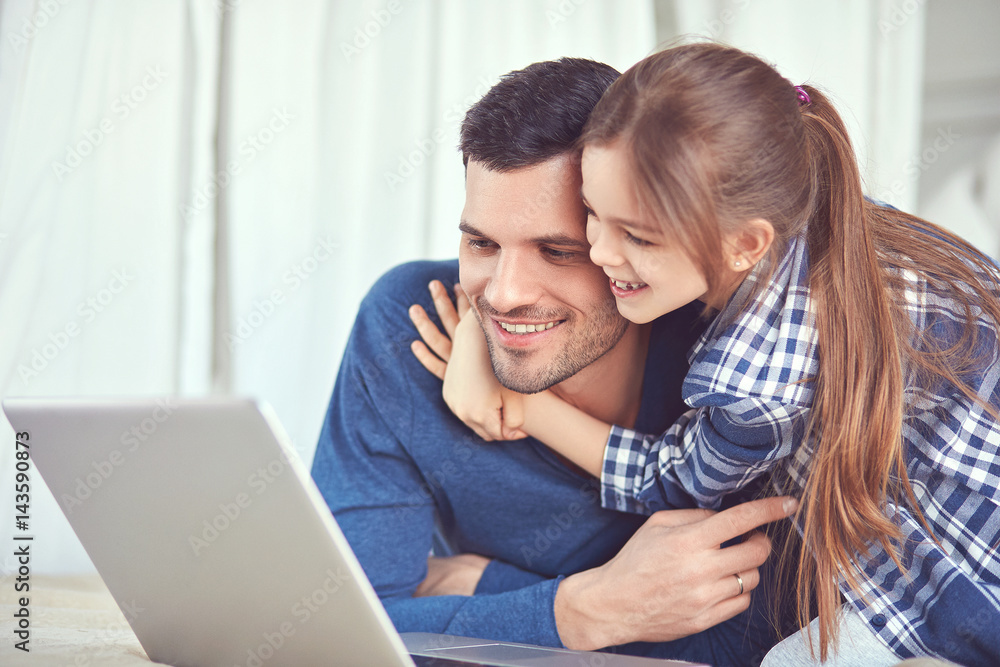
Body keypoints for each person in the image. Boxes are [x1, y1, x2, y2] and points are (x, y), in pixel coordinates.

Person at [414, 44, 1000, 666]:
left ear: (745, 244)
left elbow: (670, 482)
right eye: (590, 214)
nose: (602, 253)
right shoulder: (822, 210)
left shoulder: (753, 375)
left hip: (963, 575)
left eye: (636, 235)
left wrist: (523, 405)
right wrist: (494, 314)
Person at [310, 56, 797, 665]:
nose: (506, 292)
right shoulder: (407, 325)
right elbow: (342, 631)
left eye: (559, 250)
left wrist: (477, 590)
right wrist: (584, 609)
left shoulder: (734, 355)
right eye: (481, 243)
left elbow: (762, 641)